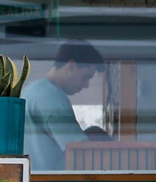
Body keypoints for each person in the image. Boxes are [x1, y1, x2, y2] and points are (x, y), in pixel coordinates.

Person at [22, 40, 105, 171]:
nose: (86, 85)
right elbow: (82, 151)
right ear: (71, 66)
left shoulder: (31, 90)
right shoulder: (51, 98)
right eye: (85, 77)